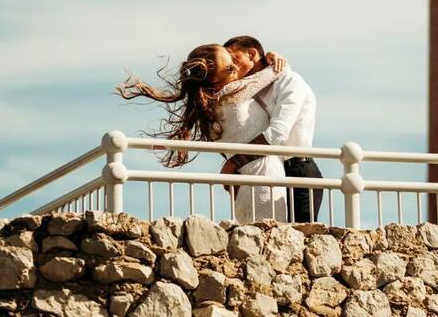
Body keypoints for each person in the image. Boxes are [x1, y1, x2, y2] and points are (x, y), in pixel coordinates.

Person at [116, 43, 290, 223]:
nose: (237, 68)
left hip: (246, 182)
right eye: (231, 67)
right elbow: (279, 70)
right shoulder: (233, 91)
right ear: (214, 79)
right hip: (264, 175)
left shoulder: (208, 109)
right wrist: (273, 56)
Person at [221, 35, 323, 223]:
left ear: (251, 54)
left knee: (299, 242)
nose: (232, 67)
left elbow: (277, 133)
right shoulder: (247, 90)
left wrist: (235, 162)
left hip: (298, 171)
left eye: (235, 59)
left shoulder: (290, 81)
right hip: (267, 169)